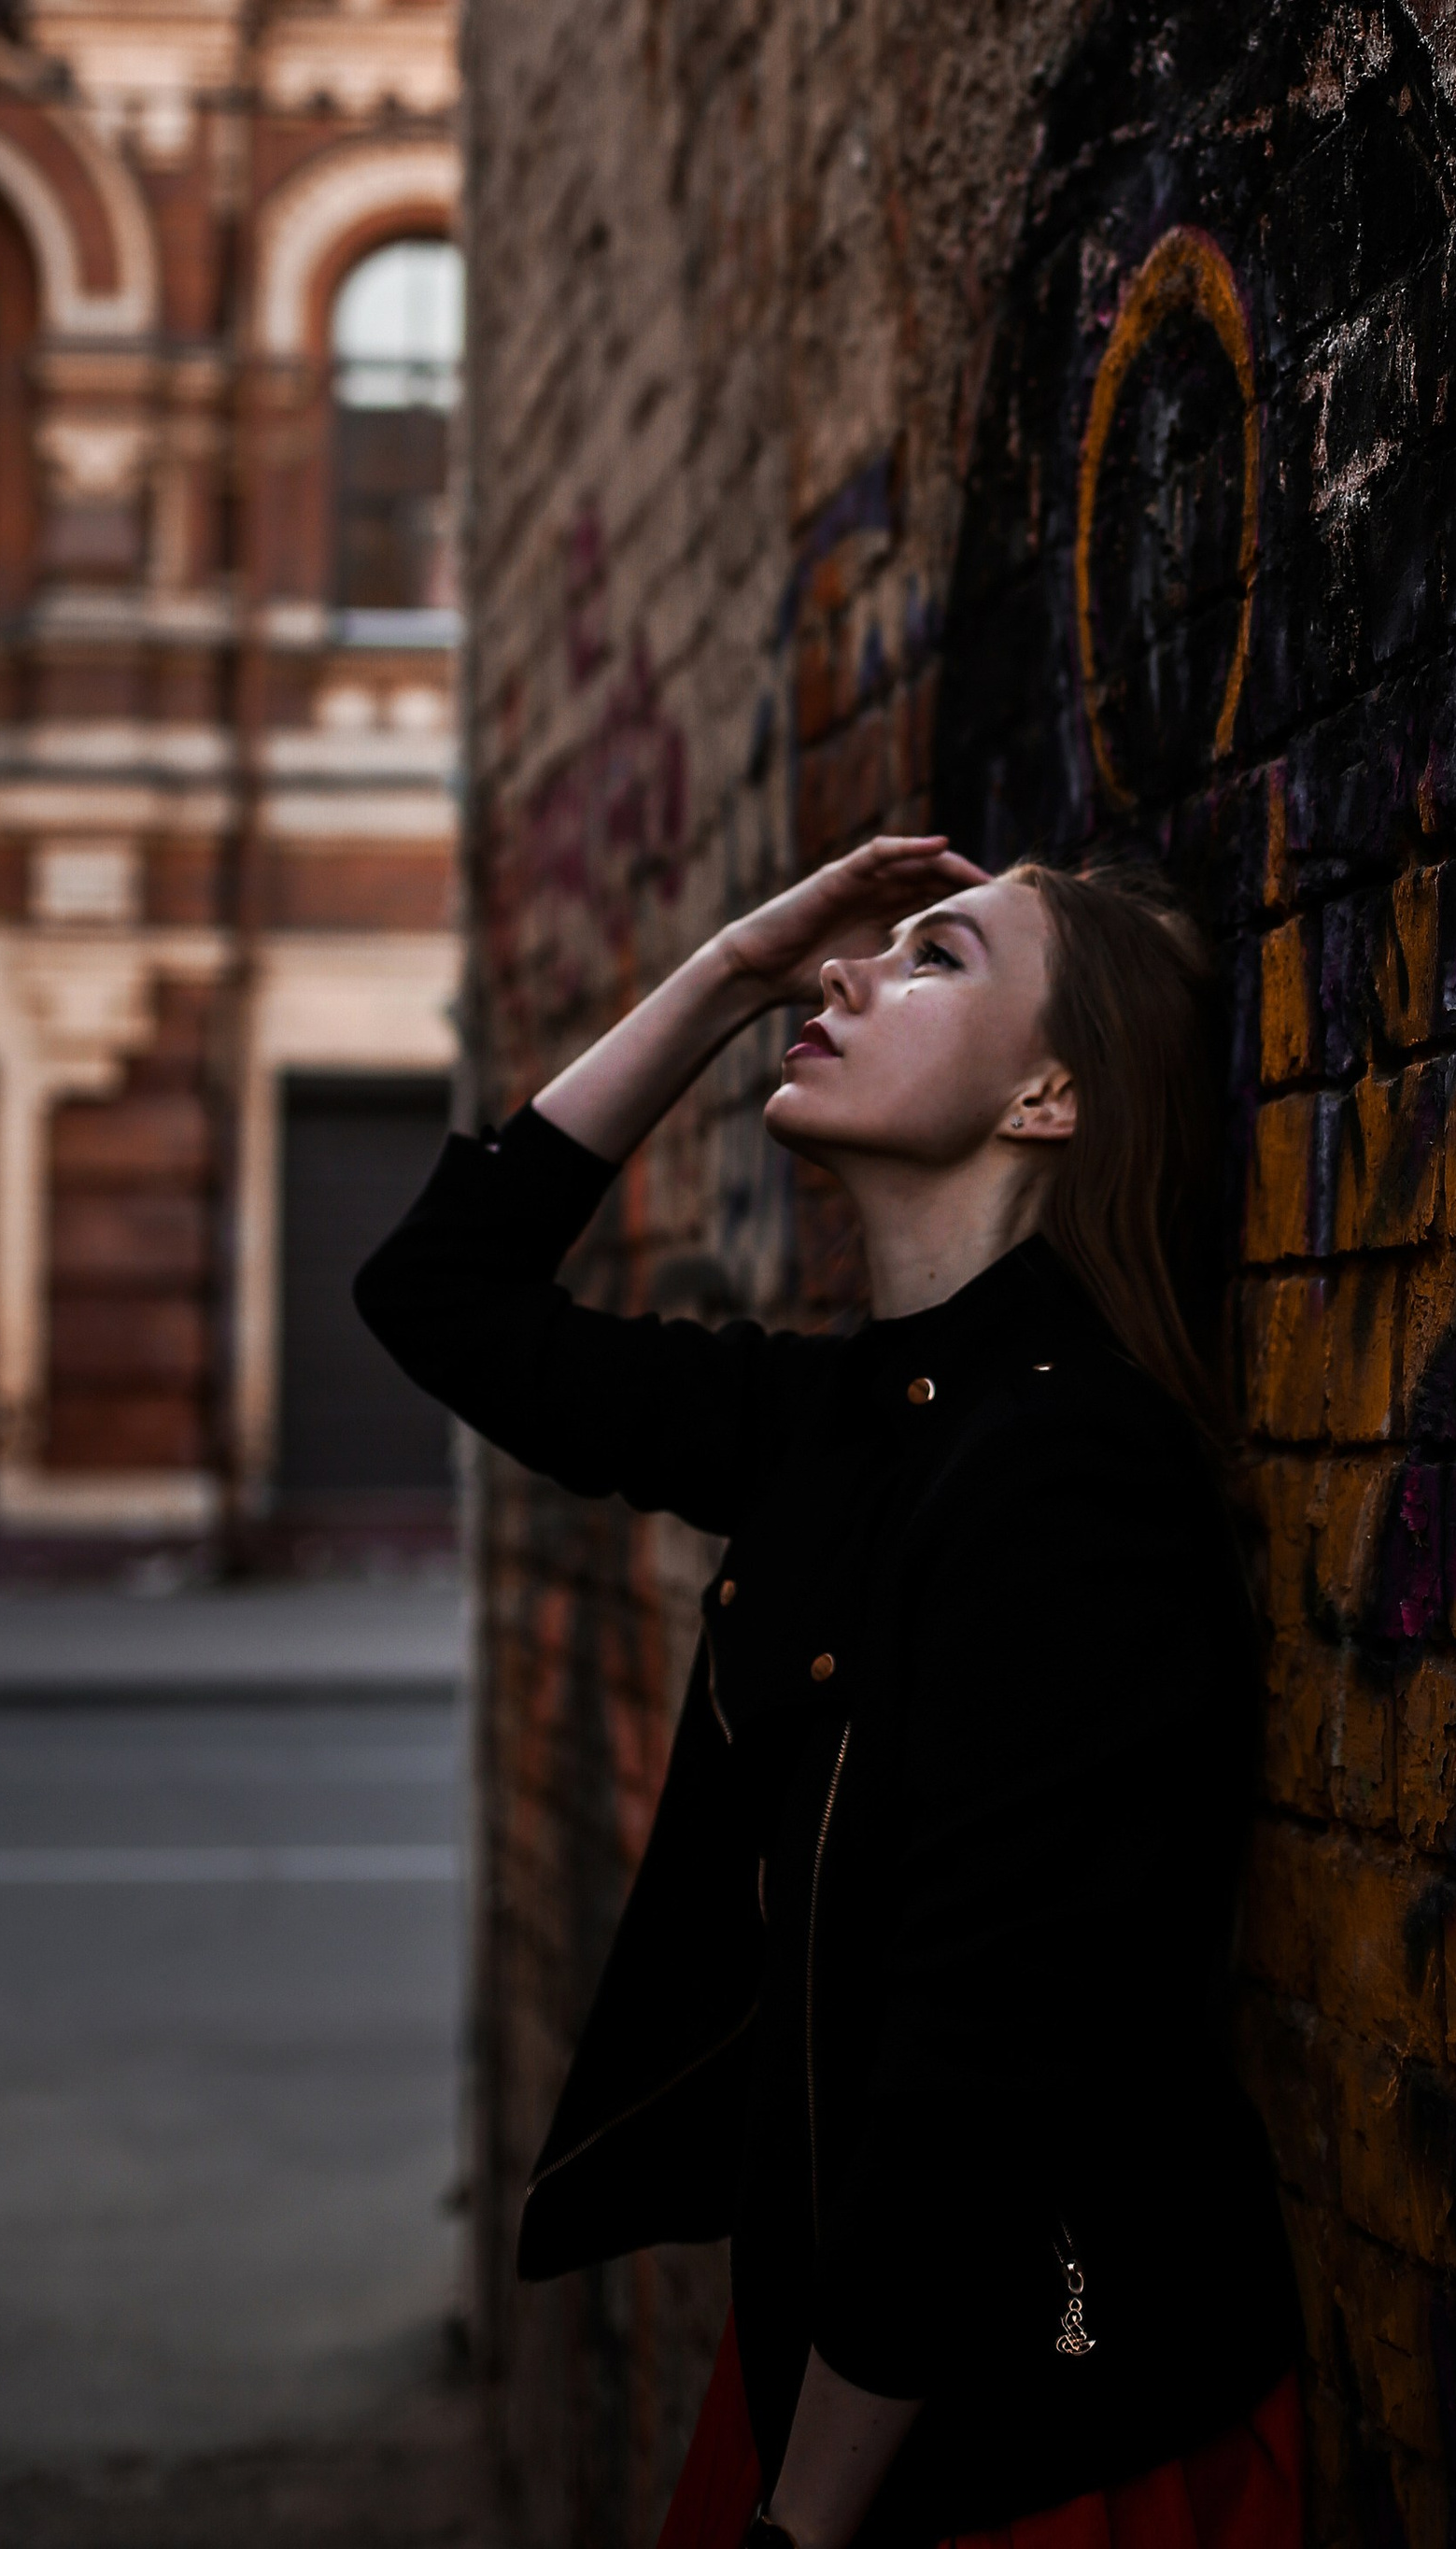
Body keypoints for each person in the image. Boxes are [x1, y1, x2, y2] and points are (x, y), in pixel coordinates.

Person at [354, 834, 1303, 2549]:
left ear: (1048, 1099)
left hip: (1021, 2423)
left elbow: (983, 2053)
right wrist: (728, 970)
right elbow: (437, 1297)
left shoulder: (1068, 1472)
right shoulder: (852, 1422)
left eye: (937, 959)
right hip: (843, 2372)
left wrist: (803, 2521)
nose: (844, 973)